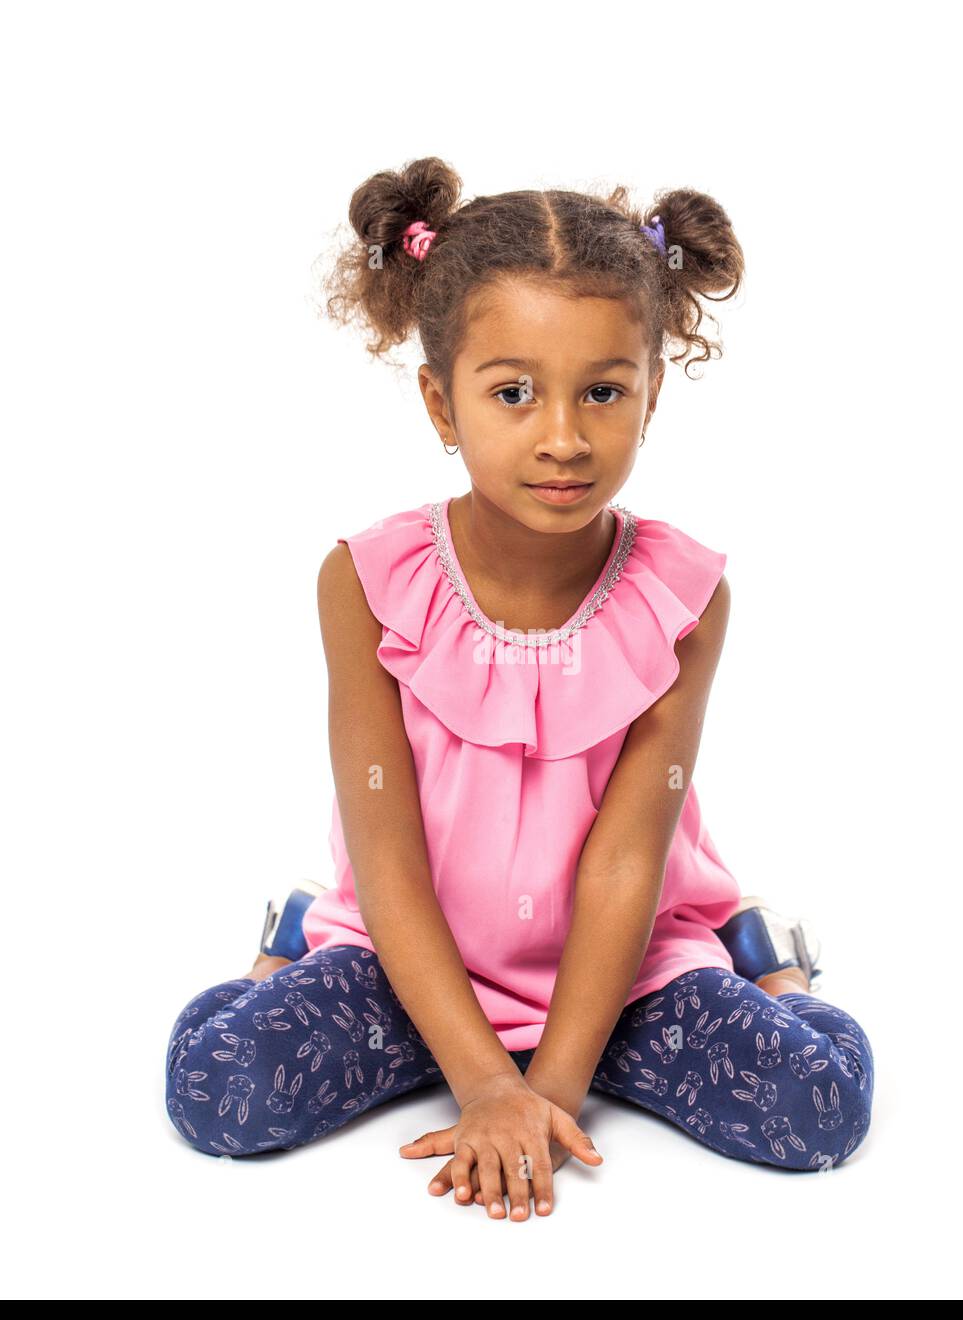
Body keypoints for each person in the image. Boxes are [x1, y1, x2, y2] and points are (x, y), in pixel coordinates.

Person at [165, 157, 875, 1217]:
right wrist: (482, 1077)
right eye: (512, 392)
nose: (561, 435)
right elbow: (389, 853)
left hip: (622, 969)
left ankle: (764, 959)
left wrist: (545, 1090)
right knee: (218, 1090)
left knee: (816, 1110)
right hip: (412, 964)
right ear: (439, 401)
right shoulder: (365, 581)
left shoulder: (684, 596)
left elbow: (627, 857)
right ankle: (290, 946)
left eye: (602, 391)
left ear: (650, 392)